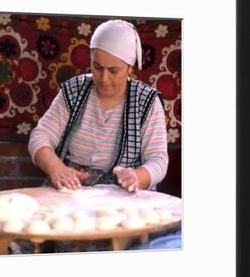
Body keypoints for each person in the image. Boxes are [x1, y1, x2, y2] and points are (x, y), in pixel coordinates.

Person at [28, 19, 168, 193]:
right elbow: (40, 135)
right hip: (71, 189)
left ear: (130, 68)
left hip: (121, 195)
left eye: (113, 70)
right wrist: (56, 167)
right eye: (97, 67)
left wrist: (137, 177)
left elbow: (158, 160)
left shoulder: (147, 102)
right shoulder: (75, 91)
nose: (103, 78)